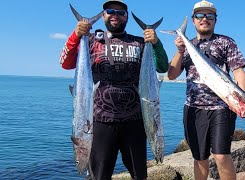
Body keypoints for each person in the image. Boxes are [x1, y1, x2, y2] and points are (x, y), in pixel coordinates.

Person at [60, 0, 169, 179]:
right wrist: (76, 36)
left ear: (127, 17)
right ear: (103, 15)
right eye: (110, 11)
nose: (115, 15)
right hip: (99, 121)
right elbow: (66, 63)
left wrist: (156, 43)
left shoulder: (140, 42)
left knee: (139, 175)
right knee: (100, 176)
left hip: (135, 119)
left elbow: (163, 66)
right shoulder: (91, 40)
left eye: (120, 13)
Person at [167, 0, 245, 179]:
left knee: (221, 155)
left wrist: (241, 101)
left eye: (209, 15)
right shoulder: (188, 46)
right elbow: (172, 74)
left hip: (222, 108)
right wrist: (180, 51)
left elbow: (239, 72)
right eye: (200, 15)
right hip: (193, 109)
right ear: (194, 20)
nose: (205, 19)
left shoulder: (226, 42)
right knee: (199, 157)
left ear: (215, 20)